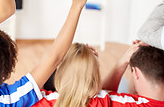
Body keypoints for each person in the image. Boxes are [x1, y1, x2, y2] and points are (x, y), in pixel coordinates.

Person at [33, 42, 164, 107]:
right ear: (95, 78)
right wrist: (122, 61)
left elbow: (32, 84)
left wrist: (63, 61)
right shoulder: (107, 100)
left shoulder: (42, 100)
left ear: (61, 75)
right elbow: (154, 102)